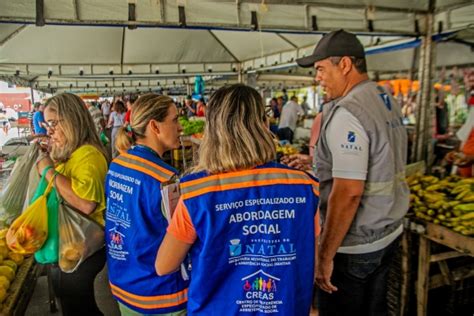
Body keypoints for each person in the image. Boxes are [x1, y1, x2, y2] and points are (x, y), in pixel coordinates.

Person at [155, 84, 320, 315]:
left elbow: (164, 266)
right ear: (264, 125)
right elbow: (310, 264)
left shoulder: (196, 193)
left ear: (214, 131)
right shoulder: (305, 187)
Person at [296, 29, 409, 316]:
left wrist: (325, 255)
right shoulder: (383, 97)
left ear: (344, 64)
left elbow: (348, 192)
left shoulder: (348, 111)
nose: (317, 77)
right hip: (389, 230)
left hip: (357, 243)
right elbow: (377, 156)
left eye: (321, 69)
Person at [105, 94, 188, 316]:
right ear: (154, 126)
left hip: (124, 284)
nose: (180, 128)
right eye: (174, 120)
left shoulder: (116, 165)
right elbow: (181, 239)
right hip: (160, 295)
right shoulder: (166, 179)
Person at [35, 93, 109, 316]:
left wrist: (49, 171)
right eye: (47, 125)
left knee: (78, 306)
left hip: (84, 247)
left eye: (54, 124)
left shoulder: (89, 155)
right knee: (73, 302)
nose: (50, 131)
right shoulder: (75, 153)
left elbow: (86, 204)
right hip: (73, 245)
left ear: (72, 119)